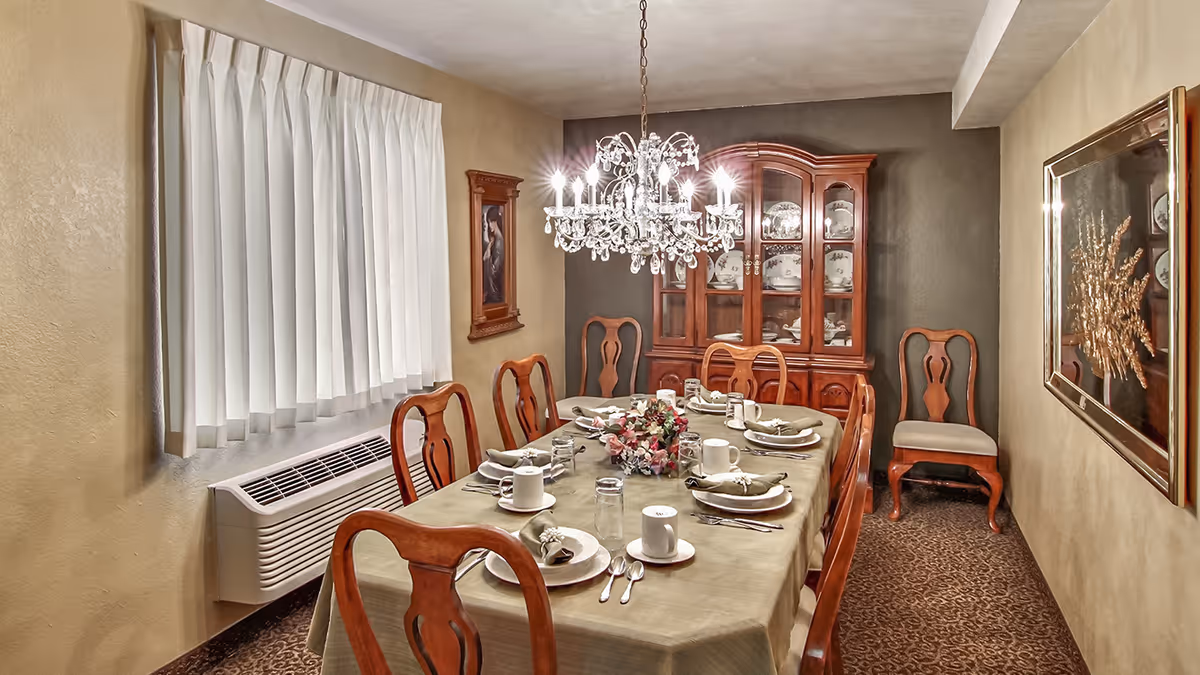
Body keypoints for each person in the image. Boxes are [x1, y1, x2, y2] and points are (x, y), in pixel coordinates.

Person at [482, 206, 505, 304]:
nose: (489, 225)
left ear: (495, 222)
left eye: (490, 222)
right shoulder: (494, 240)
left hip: (495, 292)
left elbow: (495, 270)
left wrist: (487, 258)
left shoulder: (499, 242)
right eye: (488, 222)